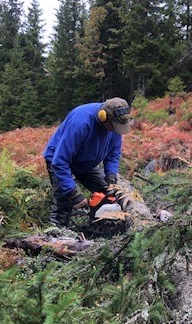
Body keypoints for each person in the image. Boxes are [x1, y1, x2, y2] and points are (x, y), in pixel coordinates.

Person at [43, 97, 131, 228]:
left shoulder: (115, 125)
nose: (115, 130)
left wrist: (111, 175)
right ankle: (56, 234)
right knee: (64, 201)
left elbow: (113, 154)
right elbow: (60, 161)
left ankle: (97, 225)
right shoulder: (81, 123)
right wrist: (73, 193)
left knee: (108, 193)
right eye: (114, 126)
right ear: (103, 117)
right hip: (60, 160)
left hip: (85, 163)